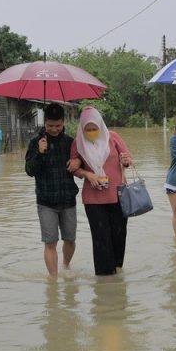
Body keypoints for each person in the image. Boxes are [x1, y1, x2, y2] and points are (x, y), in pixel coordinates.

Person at [68, 107, 132, 276]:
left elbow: (127, 159)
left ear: (100, 126)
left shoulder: (113, 138)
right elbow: (74, 169)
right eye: (87, 129)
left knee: (119, 236)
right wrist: (87, 174)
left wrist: (125, 160)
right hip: (93, 200)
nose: (91, 132)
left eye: (94, 128)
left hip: (117, 195)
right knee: (101, 239)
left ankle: (118, 272)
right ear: (82, 129)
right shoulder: (78, 143)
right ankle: (104, 280)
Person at [25, 102, 79, 277]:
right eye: (50, 126)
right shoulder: (35, 143)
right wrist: (40, 153)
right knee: (50, 242)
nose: (54, 129)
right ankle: (53, 279)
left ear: (63, 122)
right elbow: (29, 171)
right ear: (44, 123)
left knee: (70, 240)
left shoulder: (71, 143)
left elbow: (81, 168)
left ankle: (65, 265)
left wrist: (79, 162)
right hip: (46, 201)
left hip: (68, 199)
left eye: (58, 125)